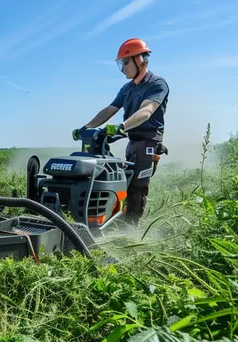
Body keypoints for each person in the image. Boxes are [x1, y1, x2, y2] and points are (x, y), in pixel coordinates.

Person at [72, 38, 169, 225]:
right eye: (121, 64)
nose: (123, 68)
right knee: (121, 180)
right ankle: (111, 218)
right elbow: (110, 109)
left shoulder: (157, 84)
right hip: (132, 142)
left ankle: (131, 229)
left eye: (125, 62)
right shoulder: (127, 88)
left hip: (149, 142)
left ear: (139, 59)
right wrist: (87, 127)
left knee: (137, 187)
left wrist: (121, 126)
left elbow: (146, 111)